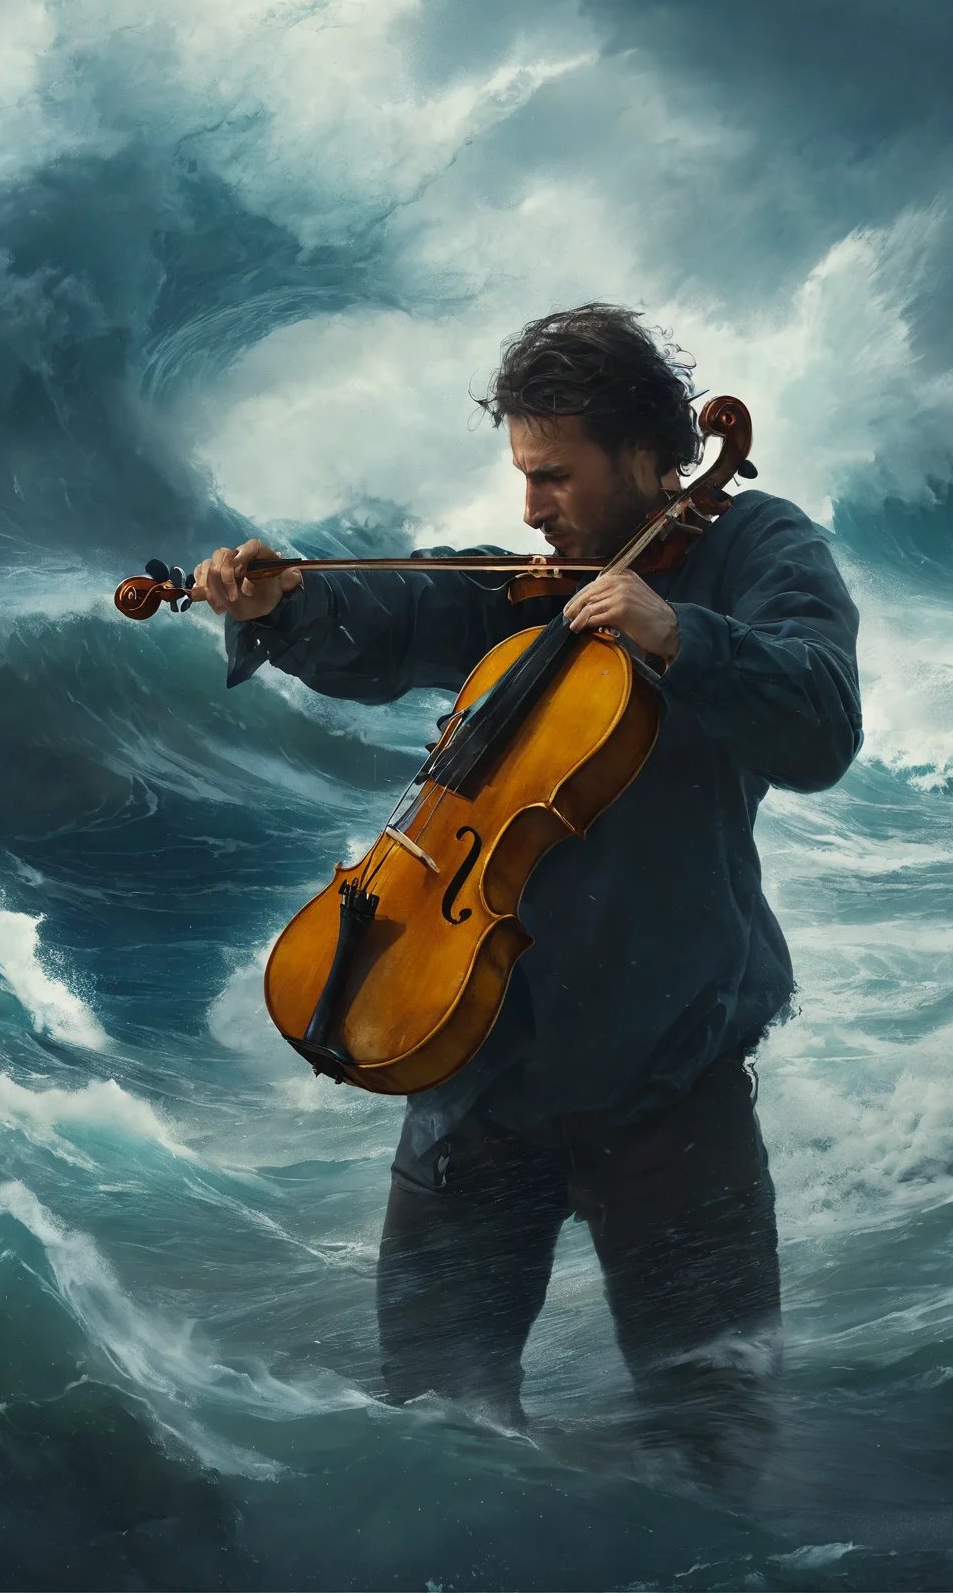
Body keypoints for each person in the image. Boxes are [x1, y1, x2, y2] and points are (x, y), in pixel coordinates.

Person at [192, 304, 861, 1494]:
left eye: (552, 477)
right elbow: (399, 617)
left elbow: (820, 722)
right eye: (521, 475)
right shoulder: (530, 585)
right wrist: (282, 608)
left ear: (648, 460)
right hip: (477, 1075)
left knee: (712, 1441)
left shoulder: (758, 547)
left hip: (670, 1087)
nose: (529, 508)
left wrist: (679, 636)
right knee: (434, 1440)